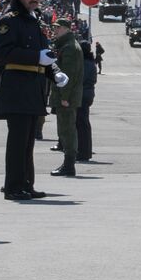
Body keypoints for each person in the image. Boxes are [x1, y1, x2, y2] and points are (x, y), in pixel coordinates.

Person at [0, 0, 61, 200]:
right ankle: (13, 187)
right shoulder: (8, 21)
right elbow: (3, 53)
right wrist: (36, 58)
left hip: (33, 87)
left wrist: (55, 72)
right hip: (16, 87)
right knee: (18, 140)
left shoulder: (34, 21)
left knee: (28, 140)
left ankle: (26, 184)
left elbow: (45, 56)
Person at [47, 17, 85, 177]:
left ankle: (69, 165)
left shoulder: (70, 48)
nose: (55, 30)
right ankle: (68, 164)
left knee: (67, 130)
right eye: (55, 27)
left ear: (67, 29)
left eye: (58, 28)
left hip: (67, 97)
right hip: (65, 96)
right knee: (65, 129)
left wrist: (64, 97)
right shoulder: (66, 45)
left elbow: (68, 75)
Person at [76, 44, 98, 163]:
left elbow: (80, 79)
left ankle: (83, 152)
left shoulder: (84, 63)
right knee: (84, 123)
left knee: (81, 124)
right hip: (88, 94)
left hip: (82, 94)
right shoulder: (91, 62)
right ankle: (85, 151)